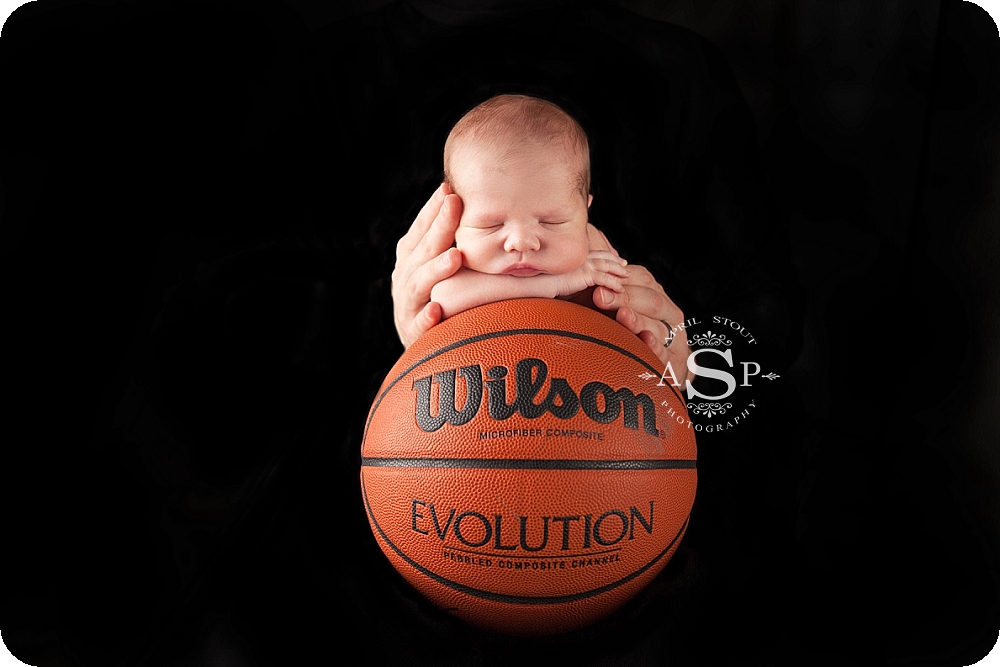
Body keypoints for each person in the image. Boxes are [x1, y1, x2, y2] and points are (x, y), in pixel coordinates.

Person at [428, 93, 632, 319]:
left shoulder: (595, 251)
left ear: (584, 213)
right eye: (491, 225)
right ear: (455, 223)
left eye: (551, 222)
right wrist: (556, 284)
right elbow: (443, 298)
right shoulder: (460, 265)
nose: (522, 243)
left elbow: (627, 302)